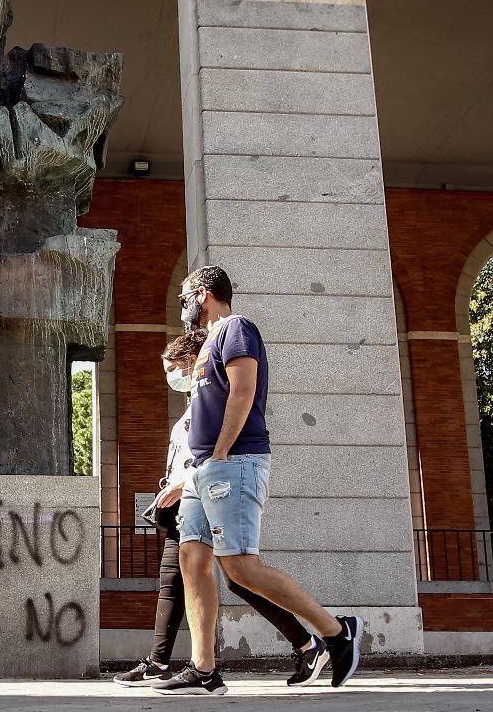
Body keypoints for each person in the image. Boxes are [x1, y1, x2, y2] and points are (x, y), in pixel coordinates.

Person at [152, 265, 364, 696]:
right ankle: (204, 670)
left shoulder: (236, 329)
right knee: (193, 562)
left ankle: (337, 632)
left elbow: (243, 392)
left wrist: (223, 451)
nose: (182, 305)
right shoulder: (206, 342)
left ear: (205, 293)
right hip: (201, 469)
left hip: (234, 461)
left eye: (185, 296)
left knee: (240, 567)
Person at [112, 331, 322, 691]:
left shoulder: (209, 399)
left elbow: (207, 452)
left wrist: (184, 482)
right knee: (180, 576)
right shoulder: (195, 403)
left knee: (237, 573)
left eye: (174, 366)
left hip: (206, 489)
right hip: (190, 497)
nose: (171, 375)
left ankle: (316, 639)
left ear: (194, 361)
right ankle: (172, 663)